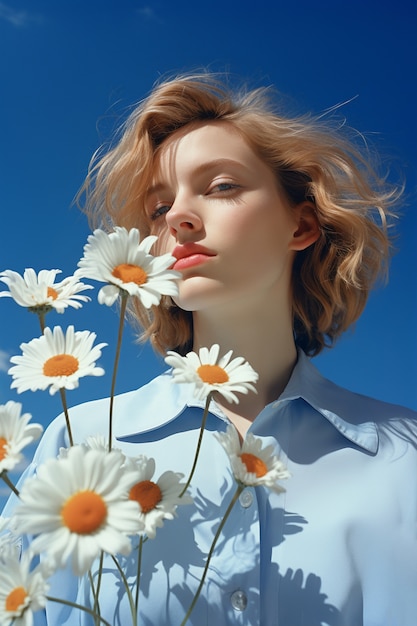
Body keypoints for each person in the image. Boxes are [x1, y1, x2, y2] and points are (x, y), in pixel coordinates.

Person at [3, 73, 417, 625]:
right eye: (157, 209)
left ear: (302, 222)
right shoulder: (77, 441)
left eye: (220, 186)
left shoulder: (404, 458)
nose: (177, 217)